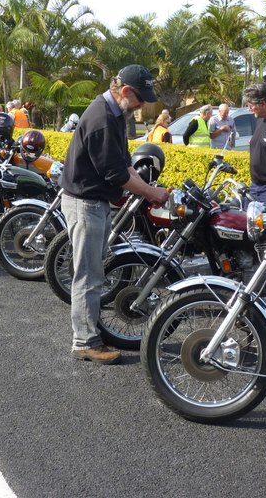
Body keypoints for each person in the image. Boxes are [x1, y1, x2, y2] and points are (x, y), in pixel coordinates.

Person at [59, 64, 170, 364]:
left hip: (94, 203)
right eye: (140, 99)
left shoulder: (114, 114)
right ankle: (84, 342)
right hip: (85, 203)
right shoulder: (102, 119)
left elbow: (125, 164)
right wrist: (151, 193)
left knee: (93, 271)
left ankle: (89, 333)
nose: (142, 105)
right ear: (125, 91)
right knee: (88, 274)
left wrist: (148, 188)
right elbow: (116, 175)